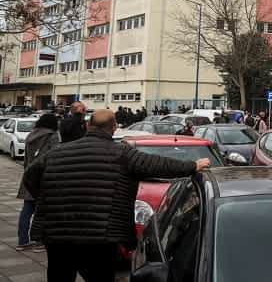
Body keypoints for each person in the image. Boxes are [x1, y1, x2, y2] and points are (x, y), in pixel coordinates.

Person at [23, 110, 210, 282]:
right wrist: (193, 165)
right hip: (100, 238)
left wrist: (46, 197)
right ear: (114, 128)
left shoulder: (56, 152)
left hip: (57, 234)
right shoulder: (123, 154)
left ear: (88, 126)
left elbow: (30, 177)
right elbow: (158, 165)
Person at [16, 114, 59, 252]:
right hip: (44, 178)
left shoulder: (31, 135)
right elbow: (54, 157)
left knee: (27, 210)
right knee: (42, 212)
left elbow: (26, 159)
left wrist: (27, 174)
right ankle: (39, 242)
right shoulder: (52, 136)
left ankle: (22, 241)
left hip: (29, 176)